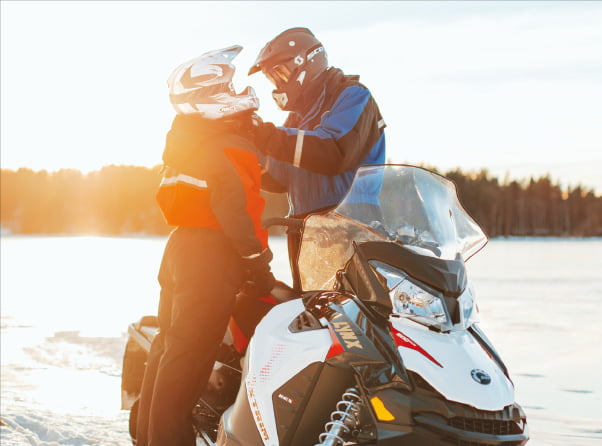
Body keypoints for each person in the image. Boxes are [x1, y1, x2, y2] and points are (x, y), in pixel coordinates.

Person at [135, 45, 275, 446]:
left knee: (168, 349)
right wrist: (257, 264)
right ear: (208, 98)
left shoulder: (191, 138)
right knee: (189, 358)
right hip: (211, 254)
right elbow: (239, 210)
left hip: (181, 248)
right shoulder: (226, 143)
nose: (235, 90)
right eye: (225, 85)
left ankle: (149, 438)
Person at [248, 27, 387, 290]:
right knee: (313, 317)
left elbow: (334, 153)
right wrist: (244, 146)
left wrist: (265, 135)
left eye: (280, 73)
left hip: (349, 224)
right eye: (271, 78)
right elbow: (280, 177)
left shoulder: (352, 96)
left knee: (350, 318)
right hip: (304, 228)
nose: (277, 84)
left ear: (305, 63)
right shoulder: (300, 116)